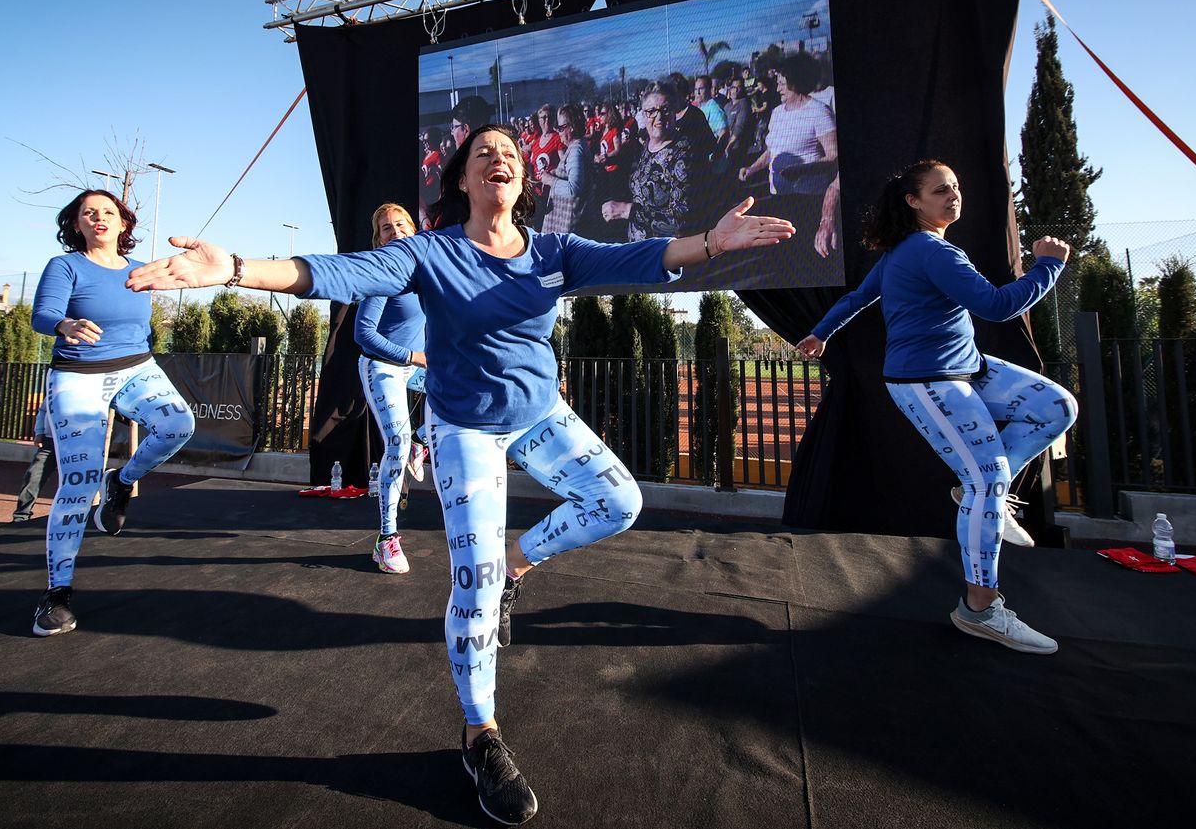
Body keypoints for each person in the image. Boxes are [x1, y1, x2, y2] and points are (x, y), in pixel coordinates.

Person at [127, 124, 794, 825]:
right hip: (465, 427)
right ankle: (482, 734)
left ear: (521, 181)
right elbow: (339, 271)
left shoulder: (554, 251)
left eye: (510, 152)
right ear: (464, 182)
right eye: (484, 153)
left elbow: (644, 255)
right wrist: (232, 266)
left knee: (618, 500)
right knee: (471, 587)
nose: (500, 157)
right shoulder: (433, 251)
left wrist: (714, 243)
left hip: (539, 414)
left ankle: (517, 561)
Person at [797, 160, 1076, 655]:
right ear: (914, 201)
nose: (954, 196)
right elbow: (996, 305)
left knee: (1056, 407)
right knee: (984, 481)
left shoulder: (909, 250)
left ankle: (989, 492)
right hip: (927, 383)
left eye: (956, 188)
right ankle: (980, 609)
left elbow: (860, 298)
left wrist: (821, 332)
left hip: (967, 368)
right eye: (941, 190)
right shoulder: (928, 250)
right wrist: (1049, 265)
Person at [29, 189, 196, 637]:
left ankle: (121, 482)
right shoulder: (65, 266)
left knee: (179, 424)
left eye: (107, 212)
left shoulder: (137, 272)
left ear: (124, 223)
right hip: (78, 375)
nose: (98, 218)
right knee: (77, 485)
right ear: (77, 224)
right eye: (89, 213)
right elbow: (41, 315)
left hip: (136, 367)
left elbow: (185, 277)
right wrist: (63, 324)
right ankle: (57, 592)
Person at [356, 204, 428, 574]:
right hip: (382, 365)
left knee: (461, 385)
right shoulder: (382, 276)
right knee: (396, 445)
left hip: (415, 368)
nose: (395, 231)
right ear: (378, 239)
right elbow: (363, 335)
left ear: (414, 230)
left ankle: (423, 444)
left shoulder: (426, 273)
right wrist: (413, 355)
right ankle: (386, 540)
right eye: (386, 228)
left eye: (401, 225)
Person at [601, 86, 700, 241]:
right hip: (639, 246)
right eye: (651, 111)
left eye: (665, 109)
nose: (659, 117)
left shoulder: (683, 153)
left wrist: (626, 210)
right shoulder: (648, 145)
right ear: (643, 114)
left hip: (665, 252)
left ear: (674, 112)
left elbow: (681, 221)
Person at [739, 53, 837, 196]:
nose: (778, 89)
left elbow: (833, 156)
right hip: (778, 194)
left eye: (782, 84)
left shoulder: (819, 112)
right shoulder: (777, 113)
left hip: (808, 195)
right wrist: (751, 168)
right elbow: (772, 151)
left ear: (796, 83)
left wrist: (802, 169)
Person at [539, 103, 592, 234]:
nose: (558, 132)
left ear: (572, 127)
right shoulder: (578, 146)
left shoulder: (575, 151)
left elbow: (573, 188)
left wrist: (549, 179)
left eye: (561, 127)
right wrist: (556, 172)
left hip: (568, 225)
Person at [11, 396, 57, 523]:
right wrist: (39, 432)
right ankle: (21, 516)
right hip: (49, 441)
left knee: (74, 480)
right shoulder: (56, 384)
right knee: (33, 476)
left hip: (76, 443)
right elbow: (43, 410)